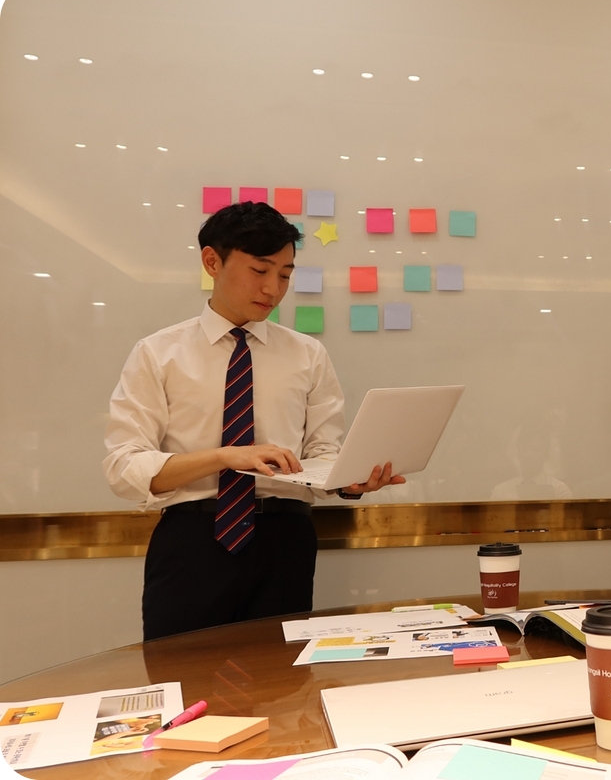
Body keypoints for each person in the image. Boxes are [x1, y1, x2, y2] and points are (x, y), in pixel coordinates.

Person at [103, 202, 404, 640]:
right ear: (212, 261)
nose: (273, 288)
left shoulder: (307, 354)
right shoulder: (158, 353)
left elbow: (322, 453)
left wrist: (348, 480)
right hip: (192, 541)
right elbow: (124, 468)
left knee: (280, 673)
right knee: (182, 672)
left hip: (286, 540)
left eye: (285, 274)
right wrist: (224, 457)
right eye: (260, 270)